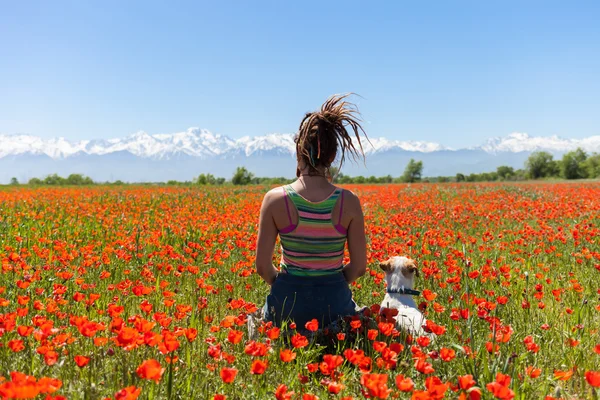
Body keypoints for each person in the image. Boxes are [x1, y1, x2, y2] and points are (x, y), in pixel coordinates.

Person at [255, 94, 368, 331]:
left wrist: (287, 285)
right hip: (334, 308)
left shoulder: (275, 199)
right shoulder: (349, 201)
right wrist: (330, 283)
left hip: (286, 308)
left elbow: (263, 268)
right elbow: (358, 268)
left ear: (298, 153)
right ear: (332, 156)